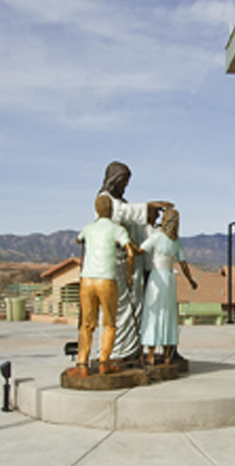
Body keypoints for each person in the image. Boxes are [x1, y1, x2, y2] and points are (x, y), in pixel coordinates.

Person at [98, 161, 172, 362]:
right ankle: (115, 352)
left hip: (131, 265)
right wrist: (148, 207)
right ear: (115, 179)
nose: (125, 187)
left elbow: (131, 218)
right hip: (117, 264)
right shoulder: (105, 201)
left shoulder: (119, 202)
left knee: (135, 305)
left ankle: (130, 349)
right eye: (123, 182)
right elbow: (123, 212)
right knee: (120, 307)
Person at [71, 194, 138, 376]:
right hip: (106, 279)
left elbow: (79, 239)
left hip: (87, 279)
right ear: (112, 210)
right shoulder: (117, 229)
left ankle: (82, 363)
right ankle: (104, 362)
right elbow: (130, 252)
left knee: (87, 324)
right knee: (108, 322)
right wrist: (129, 275)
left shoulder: (88, 228)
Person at [141, 207, 197, 364]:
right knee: (169, 314)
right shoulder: (175, 241)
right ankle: (167, 354)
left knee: (154, 313)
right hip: (169, 280)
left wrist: (127, 247)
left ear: (165, 221)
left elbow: (140, 250)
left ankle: (151, 354)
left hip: (157, 278)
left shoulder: (157, 237)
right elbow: (183, 263)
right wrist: (191, 281)